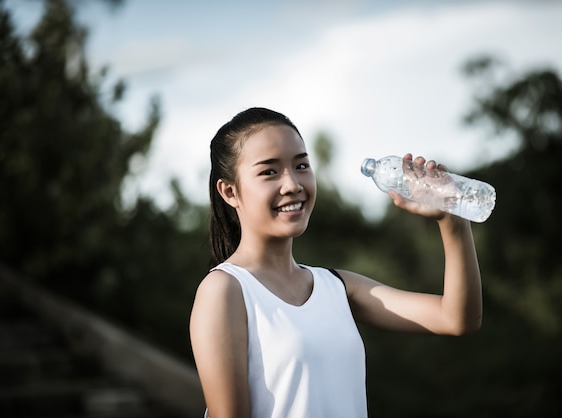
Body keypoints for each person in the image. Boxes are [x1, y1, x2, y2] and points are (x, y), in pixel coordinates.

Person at [189, 107, 483, 418]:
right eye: (269, 171)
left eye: (301, 165)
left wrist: (451, 219)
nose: (292, 184)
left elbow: (457, 318)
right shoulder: (224, 291)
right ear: (230, 191)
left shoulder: (337, 286)